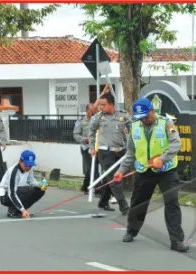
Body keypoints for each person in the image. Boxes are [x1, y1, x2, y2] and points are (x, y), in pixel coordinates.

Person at [114, 97, 188, 252]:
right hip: (144, 171)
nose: (145, 120)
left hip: (166, 170)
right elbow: (131, 152)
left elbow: (176, 143)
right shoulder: (134, 126)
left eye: (146, 116)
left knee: (171, 203)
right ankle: (131, 230)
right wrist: (121, 171)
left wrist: (162, 159)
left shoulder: (166, 122)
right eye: (141, 118)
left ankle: (176, 240)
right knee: (138, 203)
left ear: (152, 111)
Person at [89, 93, 131, 215]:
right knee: (114, 179)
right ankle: (124, 206)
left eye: (104, 105)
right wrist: (92, 147)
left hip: (121, 151)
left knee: (112, 177)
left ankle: (103, 201)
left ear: (111, 104)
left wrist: (130, 146)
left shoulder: (123, 115)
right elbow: (91, 131)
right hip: (105, 152)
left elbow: (133, 129)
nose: (101, 107)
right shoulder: (98, 117)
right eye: (100, 105)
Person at [0, 150, 48, 218]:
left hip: (19, 191)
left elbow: (31, 181)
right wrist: (23, 210)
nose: (28, 167)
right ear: (20, 161)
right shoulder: (14, 172)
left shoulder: (29, 168)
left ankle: (18, 210)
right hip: (5, 196)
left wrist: (41, 185)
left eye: (30, 165)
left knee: (40, 190)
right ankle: (13, 211)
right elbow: (12, 193)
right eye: (26, 165)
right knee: (28, 189)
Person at [73, 103, 101, 196]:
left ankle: (85, 186)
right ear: (87, 111)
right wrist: (84, 139)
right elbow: (75, 135)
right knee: (94, 168)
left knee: (91, 168)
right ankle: (98, 190)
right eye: (91, 111)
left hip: (96, 147)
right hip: (86, 148)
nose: (92, 112)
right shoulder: (80, 121)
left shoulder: (96, 120)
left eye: (93, 111)